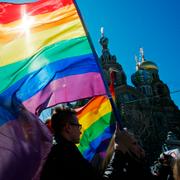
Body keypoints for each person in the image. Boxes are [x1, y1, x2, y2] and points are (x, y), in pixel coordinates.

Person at [40, 107, 102, 180]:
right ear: (68, 127)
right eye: (78, 126)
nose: (80, 132)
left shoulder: (51, 153)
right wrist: (118, 152)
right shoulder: (69, 154)